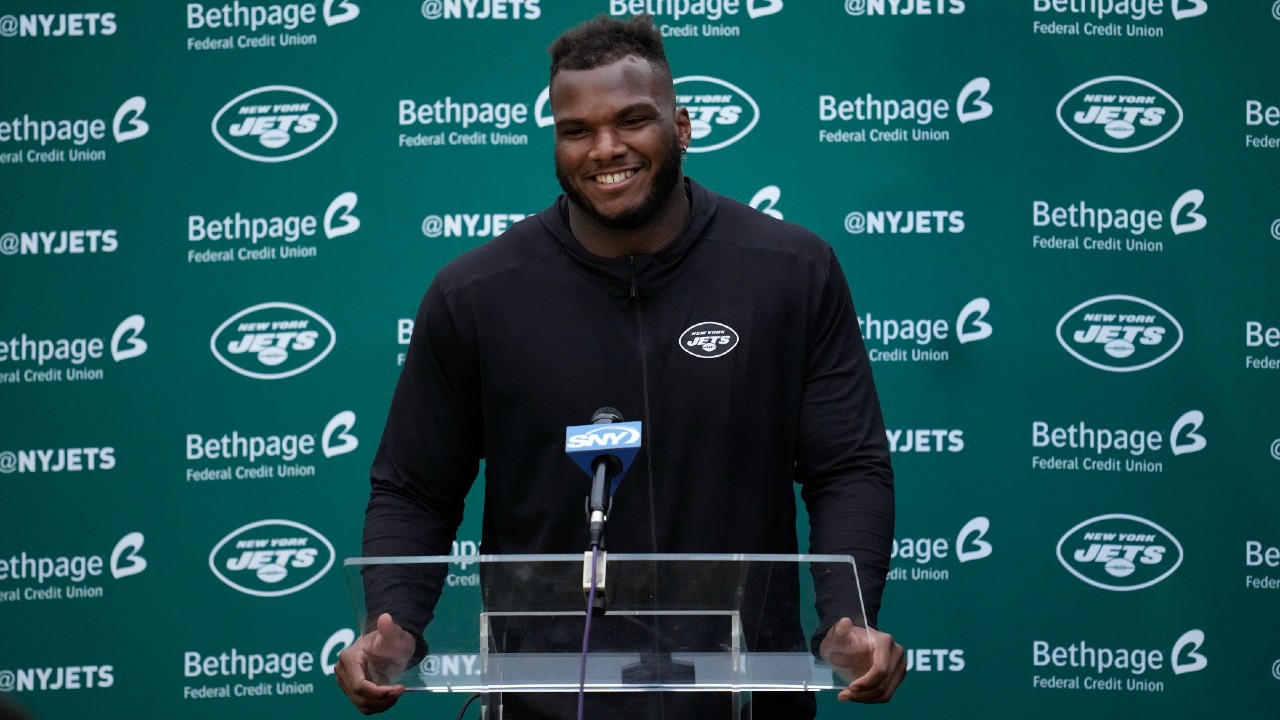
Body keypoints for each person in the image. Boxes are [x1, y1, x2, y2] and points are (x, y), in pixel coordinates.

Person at [337, 13, 905, 718]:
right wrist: (393, 622)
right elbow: (413, 489)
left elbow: (846, 467)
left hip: (745, 697)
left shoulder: (790, 272)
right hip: (547, 703)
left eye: (633, 120)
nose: (605, 149)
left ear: (683, 125)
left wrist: (847, 619)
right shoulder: (477, 294)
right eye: (576, 129)